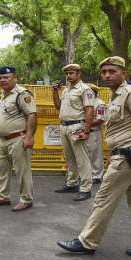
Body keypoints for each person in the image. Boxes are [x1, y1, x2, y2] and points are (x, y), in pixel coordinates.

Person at [57, 56, 131, 260]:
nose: (107, 75)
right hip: (128, 156)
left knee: (103, 198)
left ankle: (87, 241)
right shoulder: (115, 96)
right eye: (104, 72)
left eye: (112, 71)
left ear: (124, 73)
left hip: (128, 156)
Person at [0, 66, 37, 212]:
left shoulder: (22, 94)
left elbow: (32, 115)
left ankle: (26, 199)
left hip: (18, 139)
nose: (2, 80)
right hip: (2, 140)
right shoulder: (4, 94)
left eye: (6, 77)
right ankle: (3, 197)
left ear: (15, 78)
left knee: (22, 170)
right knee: (2, 169)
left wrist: (29, 137)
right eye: (0, 78)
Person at [51, 63, 95, 202]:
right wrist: (54, 92)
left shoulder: (84, 89)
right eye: (67, 73)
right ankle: (72, 183)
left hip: (77, 126)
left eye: (72, 73)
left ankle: (86, 188)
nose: (69, 76)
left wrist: (86, 131)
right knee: (69, 158)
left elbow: (89, 111)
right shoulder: (66, 90)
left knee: (82, 159)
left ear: (78, 74)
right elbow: (58, 106)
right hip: (64, 126)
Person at [87, 84, 107, 183]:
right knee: (85, 155)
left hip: (94, 132)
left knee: (96, 155)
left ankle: (97, 176)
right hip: (84, 131)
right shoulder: (84, 102)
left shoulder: (100, 103)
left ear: (93, 92)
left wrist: (86, 125)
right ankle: (87, 174)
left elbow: (100, 119)